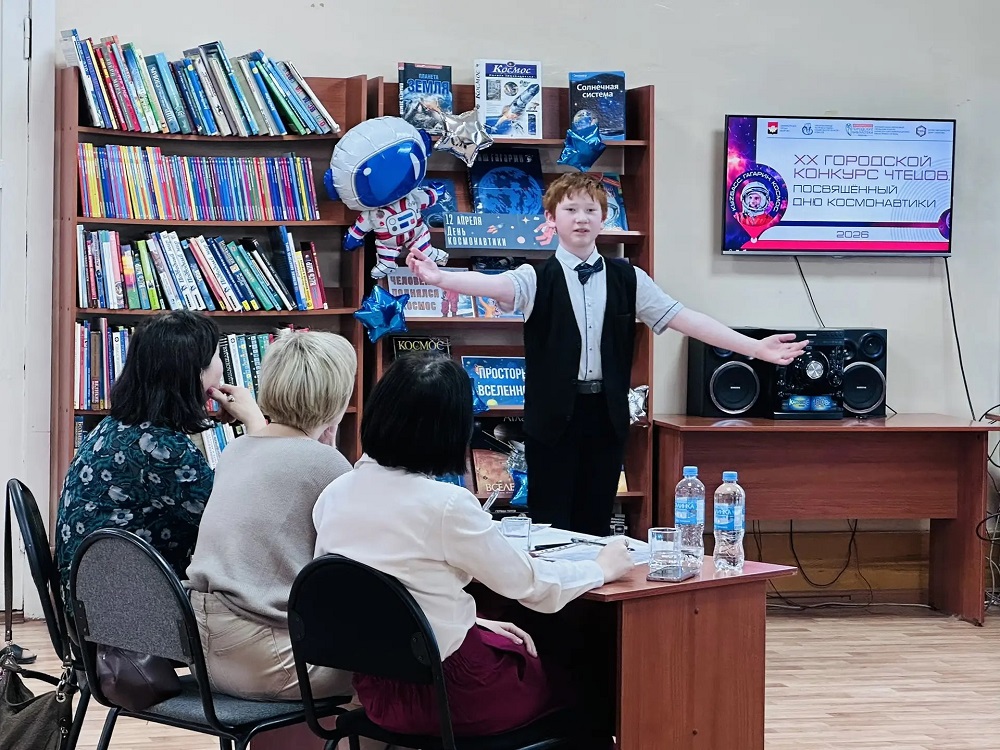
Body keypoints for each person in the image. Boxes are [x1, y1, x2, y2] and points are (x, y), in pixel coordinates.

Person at [406, 172, 807, 536]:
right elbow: (490, 284)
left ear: (604, 219)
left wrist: (755, 347)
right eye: (570, 210)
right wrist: (440, 278)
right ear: (551, 219)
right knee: (549, 525)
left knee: (595, 523)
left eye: (590, 210)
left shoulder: (629, 278)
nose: (581, 219)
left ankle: (595, 595)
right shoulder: (534, 278)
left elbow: (685, 318)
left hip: (606, 416)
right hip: (552, 420)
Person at [313, 354, 634, 739]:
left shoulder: (334, 494)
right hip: (451, 694)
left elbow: (368, 598)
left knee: (531, 643)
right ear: (452, 429)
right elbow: (530, 584)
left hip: (377, 693)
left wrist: (471, 621)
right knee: (587, 677)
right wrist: (601, 568)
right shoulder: (446, 505)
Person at [186, 330, 357, 701]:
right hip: (267, 659)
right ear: (338, 400)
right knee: (398, 666)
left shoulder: (235, 451)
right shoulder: (328, 465)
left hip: (202, 650)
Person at [55, 311, 264, 613]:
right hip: (125, 614)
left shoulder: (120, 425)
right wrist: (256, 426)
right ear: (193, 374)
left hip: (92, 602)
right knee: (260, 606)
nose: (222, 367)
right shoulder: (162, 449)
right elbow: (233, 522)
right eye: (217, 357)